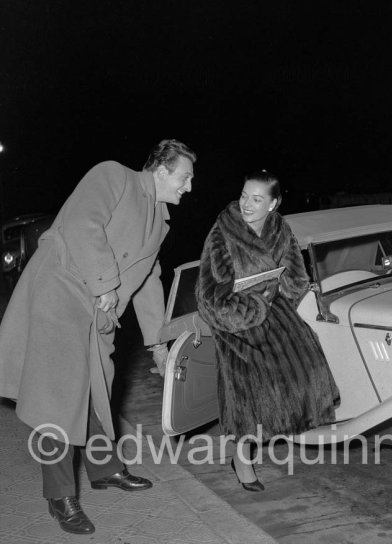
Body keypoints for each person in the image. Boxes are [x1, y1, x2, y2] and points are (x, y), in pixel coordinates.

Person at [0, 139, 196, 534]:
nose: (188, 187)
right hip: (61, 296)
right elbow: (81, 224)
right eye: (185, 177)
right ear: (161, 171)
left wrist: (159, 345)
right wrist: (105, 282)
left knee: (98, 392)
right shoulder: (113, 176)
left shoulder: (159, 221)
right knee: (59, 398)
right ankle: (60, 496)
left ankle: (105, 470)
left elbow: (148, 282)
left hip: (99, 315)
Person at [195, 170, 340, 491]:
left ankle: (284, 425)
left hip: (274, 310)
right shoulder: (222, 232)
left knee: (307, 365)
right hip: (235, 320)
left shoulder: (279, 228)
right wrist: (249, 308)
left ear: (273, 204)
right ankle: (242, 458)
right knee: (249, 394)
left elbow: (295, 277)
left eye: (257, 199)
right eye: (245, 195)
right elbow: (207, 294)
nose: (247, 203)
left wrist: (286, 294)